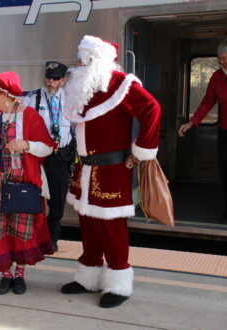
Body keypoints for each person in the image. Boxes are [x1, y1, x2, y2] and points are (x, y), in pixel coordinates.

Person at [61, 35, 161, 308]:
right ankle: (88, 276)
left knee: (111, 226)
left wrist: (141, 148)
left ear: (97, 60)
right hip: (85, 169)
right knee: (89, 224)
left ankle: (118, 282)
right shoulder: (87, 87)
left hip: (111, 169)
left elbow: (152, 108)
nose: (78, 64)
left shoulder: (121, 84)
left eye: (84, 59)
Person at [0, 71, 56, 295]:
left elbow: (48, 146)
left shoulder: (29, 116)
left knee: (21, 229)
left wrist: (26, 145)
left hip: (22, 181)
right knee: (0, 229)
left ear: (5, 94)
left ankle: (20, 275)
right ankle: (5, 274)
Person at [178, 38, 227, 224]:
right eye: (219, 59)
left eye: (225, 58)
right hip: (226, 133)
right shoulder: (217, 77)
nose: (221, 62)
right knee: (225, 171)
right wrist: (192, 122)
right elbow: (208, 101)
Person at [23, 61, 74, 252]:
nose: (50, 82)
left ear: (63, 80)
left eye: (55, 78)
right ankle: (36, 236)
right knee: (35, 197)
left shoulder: (70, 99)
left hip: (59, 156)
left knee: (57, 200)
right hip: (37, 156)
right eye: (48, 77)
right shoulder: (33, 98)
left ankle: (52, 237)